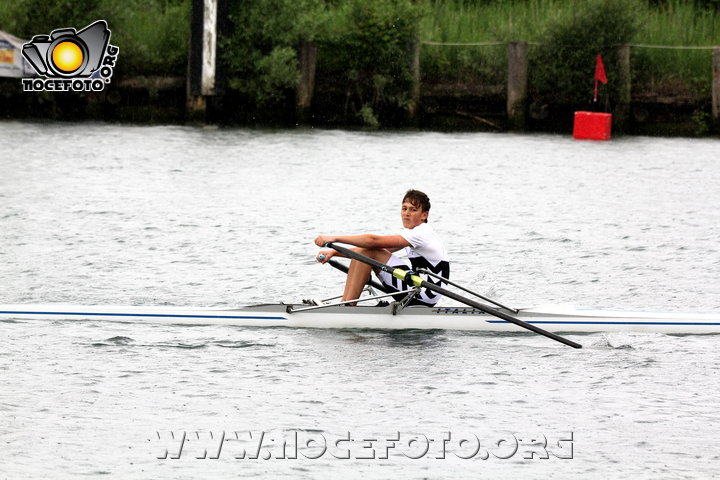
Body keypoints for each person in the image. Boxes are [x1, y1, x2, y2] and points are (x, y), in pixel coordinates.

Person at [314, 189, 450, 306]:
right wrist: (333, 252)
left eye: (413, 210)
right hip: (419, 287)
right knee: (368, 251)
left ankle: (348, 305)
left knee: (369, 250)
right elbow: (370, 250)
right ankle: (346, 303)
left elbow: (373, 241)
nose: (406, 213)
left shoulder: (421, 232)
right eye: (404, 208)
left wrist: (335, 238)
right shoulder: (413, 233)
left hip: (424, 294)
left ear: (424, 215)